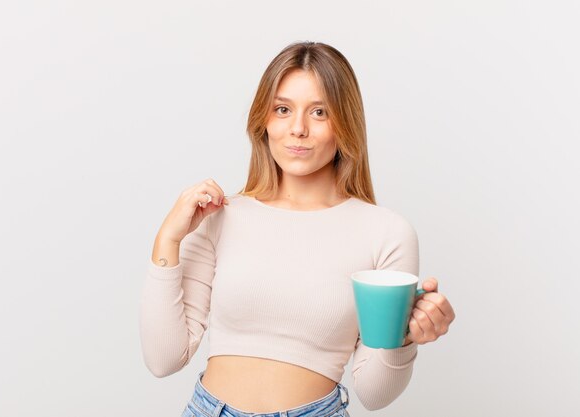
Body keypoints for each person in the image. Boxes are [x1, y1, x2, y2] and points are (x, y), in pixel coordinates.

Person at [140, 41, 455, 417]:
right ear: (264, 121)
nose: (298, 129)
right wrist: (169, 239)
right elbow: (163, 359)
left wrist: (405, 337)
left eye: (319, 112)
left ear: (345, 122)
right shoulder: (220, 217)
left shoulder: (386, 232)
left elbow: (374, 393)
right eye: (283, 109)